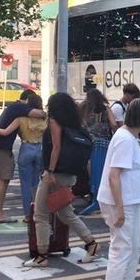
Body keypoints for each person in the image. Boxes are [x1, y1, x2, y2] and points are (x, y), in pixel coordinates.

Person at [25, 92, 102, 267]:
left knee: (40, 215)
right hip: (70, 174)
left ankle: (41, 256)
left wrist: (50, 172)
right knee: (66, 214)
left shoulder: (55, 122)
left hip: (55, 175)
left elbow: (56, 147)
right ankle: (92, 244)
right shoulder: (74, 124)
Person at [97, 98, 140, 280]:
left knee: (132, 248)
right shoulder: (125, 139)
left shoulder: (127, 137)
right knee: (121, 250)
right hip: (122, 203)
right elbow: (114, 175)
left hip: (129, 202)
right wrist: (119, 208)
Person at [0, 89, 40, 223]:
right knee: (3, 180)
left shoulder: (13, 108)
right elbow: (40, 113)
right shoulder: (19, 108)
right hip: (2, 149)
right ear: (26, 100)